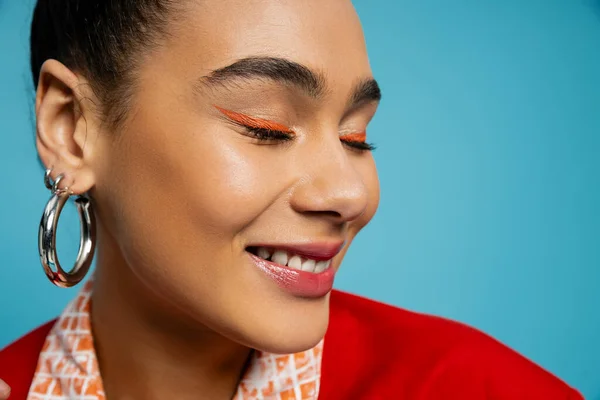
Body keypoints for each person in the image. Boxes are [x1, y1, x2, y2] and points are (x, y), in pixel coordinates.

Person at [0, 0, 584, 399]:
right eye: (267, 126)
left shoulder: (481, 388)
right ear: (72, 126)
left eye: (356, 135)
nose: (352, 193)